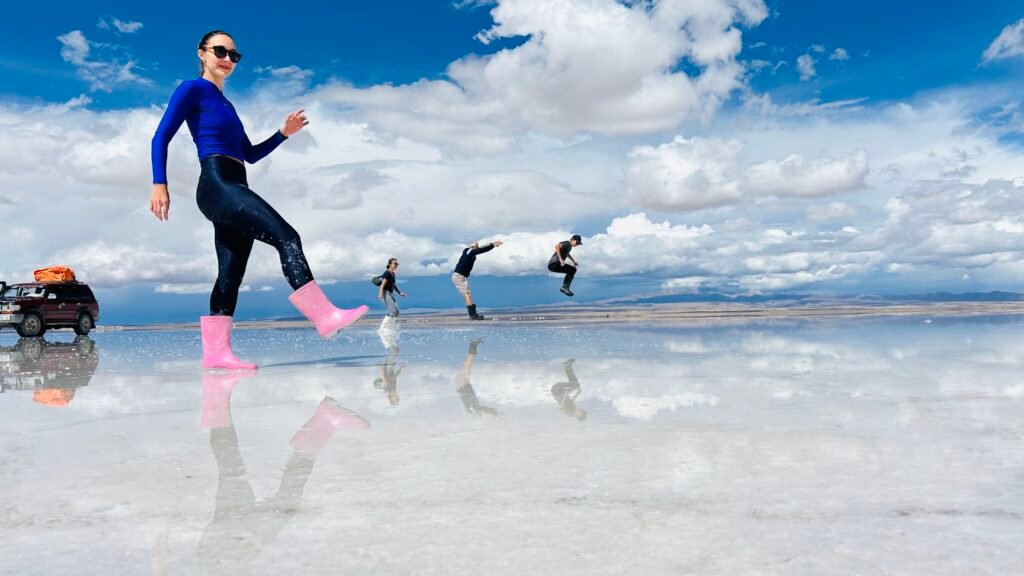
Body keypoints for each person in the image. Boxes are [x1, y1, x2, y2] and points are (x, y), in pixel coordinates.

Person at [150, 30, 368, 371]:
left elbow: (250, 154)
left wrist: (283, 134)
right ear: (202, 53)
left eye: (234, 55)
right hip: (217, 183)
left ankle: (216, 354)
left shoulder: (227, 105)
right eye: (220, 51)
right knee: (287, 237)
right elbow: (161, 135)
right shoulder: (191, 89)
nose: (227, 59)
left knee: (230, 274)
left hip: (233, 181)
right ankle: (324, 315)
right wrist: (159, 183)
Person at [452, 239, 504, 320]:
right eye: (474, 247)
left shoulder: (472, 251)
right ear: (471, 247)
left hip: (461, 277)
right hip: (458, 276)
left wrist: (492, 243)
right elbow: (482, 250)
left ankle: (473, 314)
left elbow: (481, 248)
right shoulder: (469, 251)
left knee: (467, 295)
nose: (475, 248)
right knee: (467, 294)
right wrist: (493, 245)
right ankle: (473, 315)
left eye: (476, 247)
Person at [378, 258, 406, 332]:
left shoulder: (393, 274)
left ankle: (390, 327)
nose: (396, 265)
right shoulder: (386, 273)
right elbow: (382, 285)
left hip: (391, 294)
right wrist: (380, 294)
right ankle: (383, 328)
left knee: (397, 311)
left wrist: (400, 293)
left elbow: (393, 285)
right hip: (385, 293)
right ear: (390, 264)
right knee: (393, 311)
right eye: (395, 263)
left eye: (397, 264)